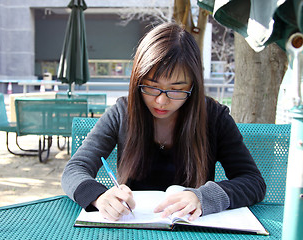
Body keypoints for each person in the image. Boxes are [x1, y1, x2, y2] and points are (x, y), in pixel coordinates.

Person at [61, 22, 266, 221]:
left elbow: (253, 182)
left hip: (193, 229)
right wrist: (99, 196)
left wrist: (203, 197)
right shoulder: (123, 113)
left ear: (193, 87)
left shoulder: (214, 117)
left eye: (176, 89)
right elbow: (75, 169)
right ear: (137, 81)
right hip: (132, 227)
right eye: (150, 86)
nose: (161, 100)